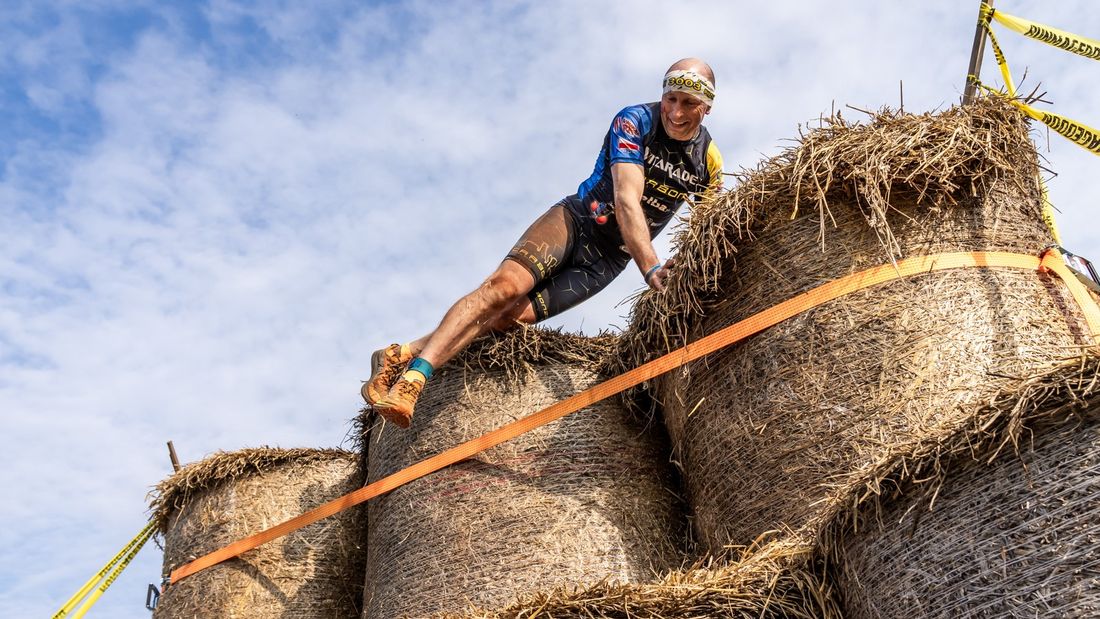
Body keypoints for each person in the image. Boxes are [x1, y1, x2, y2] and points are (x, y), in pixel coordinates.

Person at [363, 57, 724, 428]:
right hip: (576, 222)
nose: (676, 112)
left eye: (689, 104)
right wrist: (650, 267)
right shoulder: (635, 120)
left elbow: (707, 231)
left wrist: (686, 270)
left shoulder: (707, 161)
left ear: (707, 107)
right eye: (671, 99)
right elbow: (626, 200)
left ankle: (399, 354)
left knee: (507, 319)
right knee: (502, 290)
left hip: (606, 262)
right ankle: (413, 378)